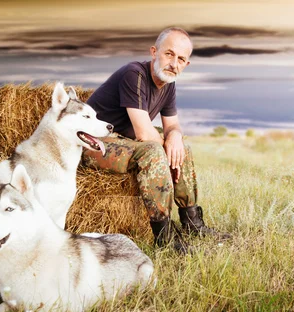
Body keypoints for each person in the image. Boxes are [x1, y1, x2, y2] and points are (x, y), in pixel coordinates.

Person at [82, 27, 230, 254]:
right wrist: (167, 148)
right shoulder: (135, 74)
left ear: (186, 64)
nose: (174, 63)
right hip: (93, 142)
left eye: (181, 59)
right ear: (154, 52)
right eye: (169, 54)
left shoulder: (168, 83)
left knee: (181, 146)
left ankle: (192, 223)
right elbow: (143, 132)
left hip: (122, 139)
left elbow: (172, 125)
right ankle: (165, 238)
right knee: (153, 150)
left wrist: (175, 139)